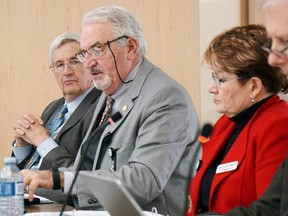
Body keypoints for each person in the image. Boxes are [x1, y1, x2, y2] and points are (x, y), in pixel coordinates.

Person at [21, 5, 200, 216]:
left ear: (131, 48)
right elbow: (85, 175)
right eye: (86, 53)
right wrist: (30, 184)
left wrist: (58, 179)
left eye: (97, 49)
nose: (88, 63)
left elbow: (143, 181)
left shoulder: (165, 97)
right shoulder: (109, 95)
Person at [187, 24, 288, 216]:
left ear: (254, 86)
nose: (211, 87)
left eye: (220, 80)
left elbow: (270, 211)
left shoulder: (278, 126)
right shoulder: (226, 123)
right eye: (213, 77)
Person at [222, 1, 288, 215]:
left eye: (284, 42)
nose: (272, 58)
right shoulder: (225, 124)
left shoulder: (278, 123)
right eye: (272, 43)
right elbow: (271, 208)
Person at [12, 32, 101, 171]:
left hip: (53, 192)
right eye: (59, 64)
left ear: (90, 64)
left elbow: (84, 176)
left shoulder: (102, 107)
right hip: (24, 189)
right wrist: (23, 145)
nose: (66, 72)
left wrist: (41, 140)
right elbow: (33, 163)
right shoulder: (53, 107)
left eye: (75, 61)